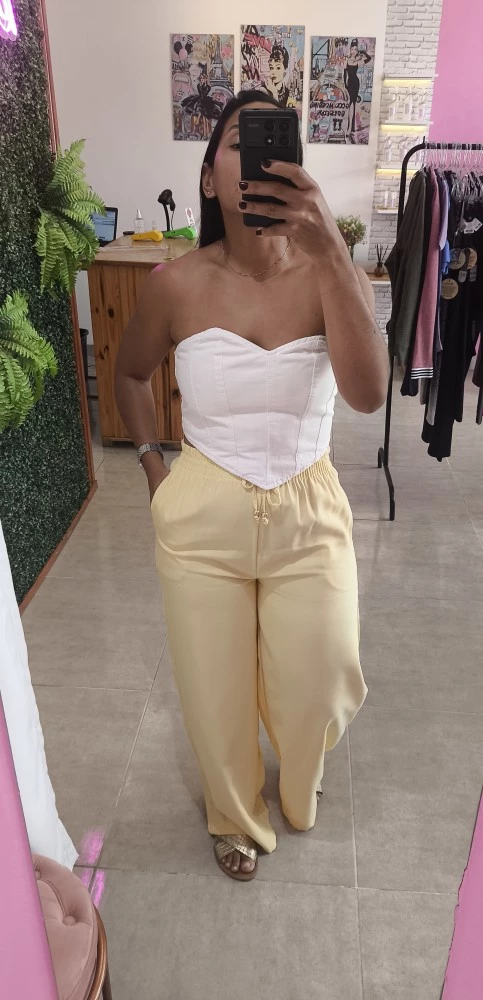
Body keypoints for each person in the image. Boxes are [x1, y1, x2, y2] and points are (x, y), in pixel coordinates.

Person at [115, 90, 388, 882]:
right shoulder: (175, 284)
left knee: (322, 678)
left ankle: (299, 779)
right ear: (209, 179)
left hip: (309, 508)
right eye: (237, 142)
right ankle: (233, 815)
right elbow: (129, 374)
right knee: (214, 691)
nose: (256, 158)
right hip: (202, 513)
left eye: (272, 142)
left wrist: (331, 256)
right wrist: (156, 471)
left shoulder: (332, 276)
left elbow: (368, 394)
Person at [343, 39, 372, 135]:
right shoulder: (347, 60)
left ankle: (351, 128)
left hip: (356, 83)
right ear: (350, 50)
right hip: (349, 83)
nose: (353, 51)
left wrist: (364, 52)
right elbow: (344, 74)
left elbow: (369, 59)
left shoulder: (358, 62)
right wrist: (345, 85)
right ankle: (350, 128)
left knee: (353, 104)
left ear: (357, 51)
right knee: (350, 105)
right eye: (352, 49)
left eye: (355, 49)